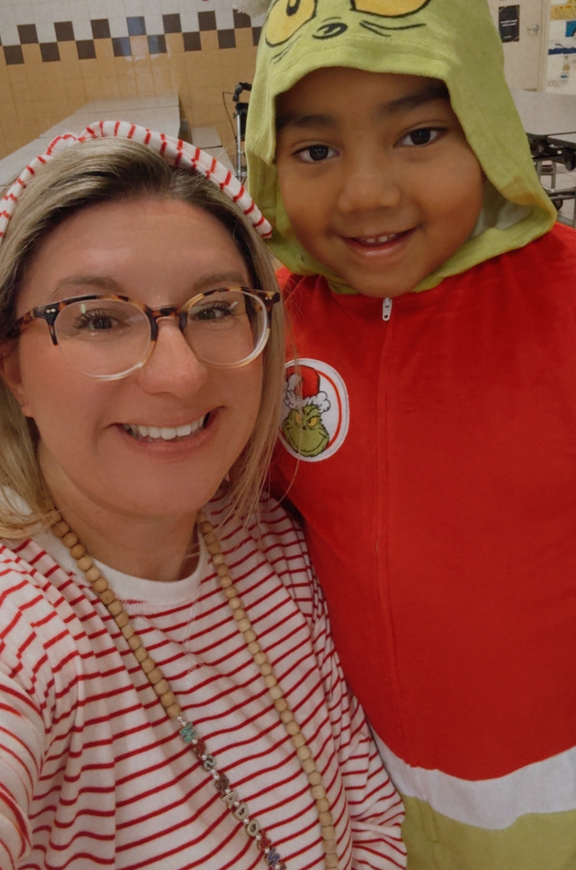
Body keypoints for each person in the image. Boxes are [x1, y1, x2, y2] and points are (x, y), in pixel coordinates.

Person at [226, 0, 576, 870]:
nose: (368, 193)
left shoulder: (562, 303)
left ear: (486, 127)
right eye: (316, 150)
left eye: (419, 133)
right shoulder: (265, 330)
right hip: (364, 799)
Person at [0, 121, 406, 870]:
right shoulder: (26, 638)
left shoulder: (270, 542)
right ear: (14, 371)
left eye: (216, 308)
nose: (180, 375)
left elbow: (370, 812)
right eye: (98, 319)